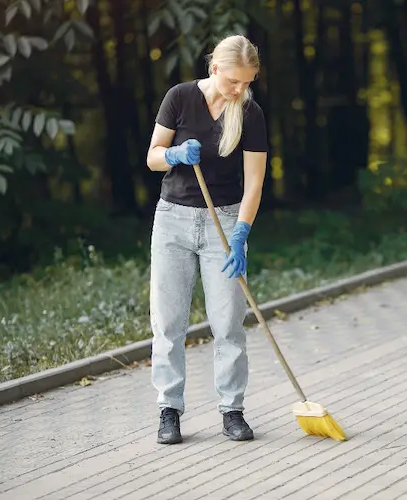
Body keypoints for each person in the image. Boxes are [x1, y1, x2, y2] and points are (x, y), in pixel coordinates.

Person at [145, 34, 268, 445]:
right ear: (214, 68)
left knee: (229, 323)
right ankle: (169, 410)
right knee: (168, 322)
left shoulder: (250, 114)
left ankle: (232, 411)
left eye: (247, 82)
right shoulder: (179, 97)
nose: (240, 90)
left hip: (225, 222)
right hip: (173, 222)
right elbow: (152, 156)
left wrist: (241, 235)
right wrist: (175, 154)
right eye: (235, 81)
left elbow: (254, 185)